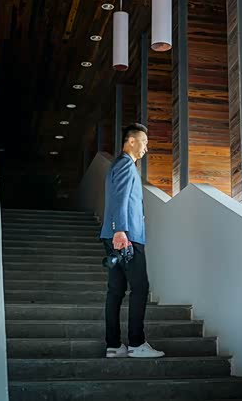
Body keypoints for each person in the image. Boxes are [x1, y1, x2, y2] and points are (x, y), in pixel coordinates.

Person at [100, 123, 165, 359]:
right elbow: (120, 198)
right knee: (140, 287)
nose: (146, 148)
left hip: (117, 234)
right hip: (127, 237)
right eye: (144, 142)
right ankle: (136, 344)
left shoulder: (120, 165)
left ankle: (114, 345)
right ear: (131, 141)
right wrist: (121, 231)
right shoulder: (126, 164)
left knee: (116, 290)